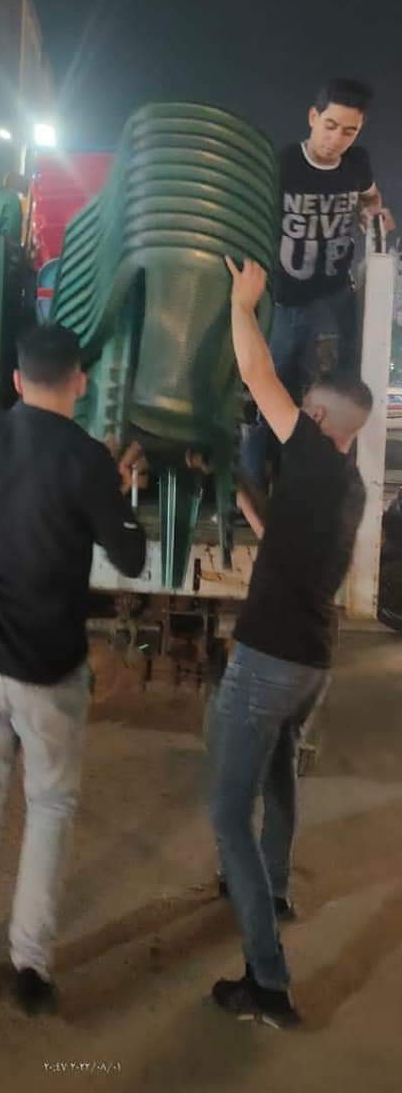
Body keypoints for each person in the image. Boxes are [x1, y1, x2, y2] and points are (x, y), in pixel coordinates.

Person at [0, 323, 147, 1018]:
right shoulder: (88, 460)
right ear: (81, 381)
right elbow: (131, 557)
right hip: (48, 669)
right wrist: (119, 489)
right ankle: (30, 969)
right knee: (49, 807)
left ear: (19, 381)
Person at [210, 256, 371, 1028]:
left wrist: (244, 304)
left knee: (226, 813)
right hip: (311, 659)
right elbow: (285, 532)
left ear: (326, 421)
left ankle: (266, 979)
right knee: (277, 776)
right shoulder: (349, 486)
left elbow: (255, 370)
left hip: (268, 656)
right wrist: (241, 496)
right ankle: (272, 890)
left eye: (306, 409)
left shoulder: (308, 446)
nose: (297, 413)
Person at [242, 77, 391, 485]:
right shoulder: (284, 163)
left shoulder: (357, 163)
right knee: (271, 397)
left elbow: (370, 197)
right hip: (286, 301)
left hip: (335, 298)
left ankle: (317, 485)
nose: (336, 139)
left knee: (330, 396)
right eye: (330, 125)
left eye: (349, 131)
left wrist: (374, 213)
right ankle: (253, 488)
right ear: (313, 117)